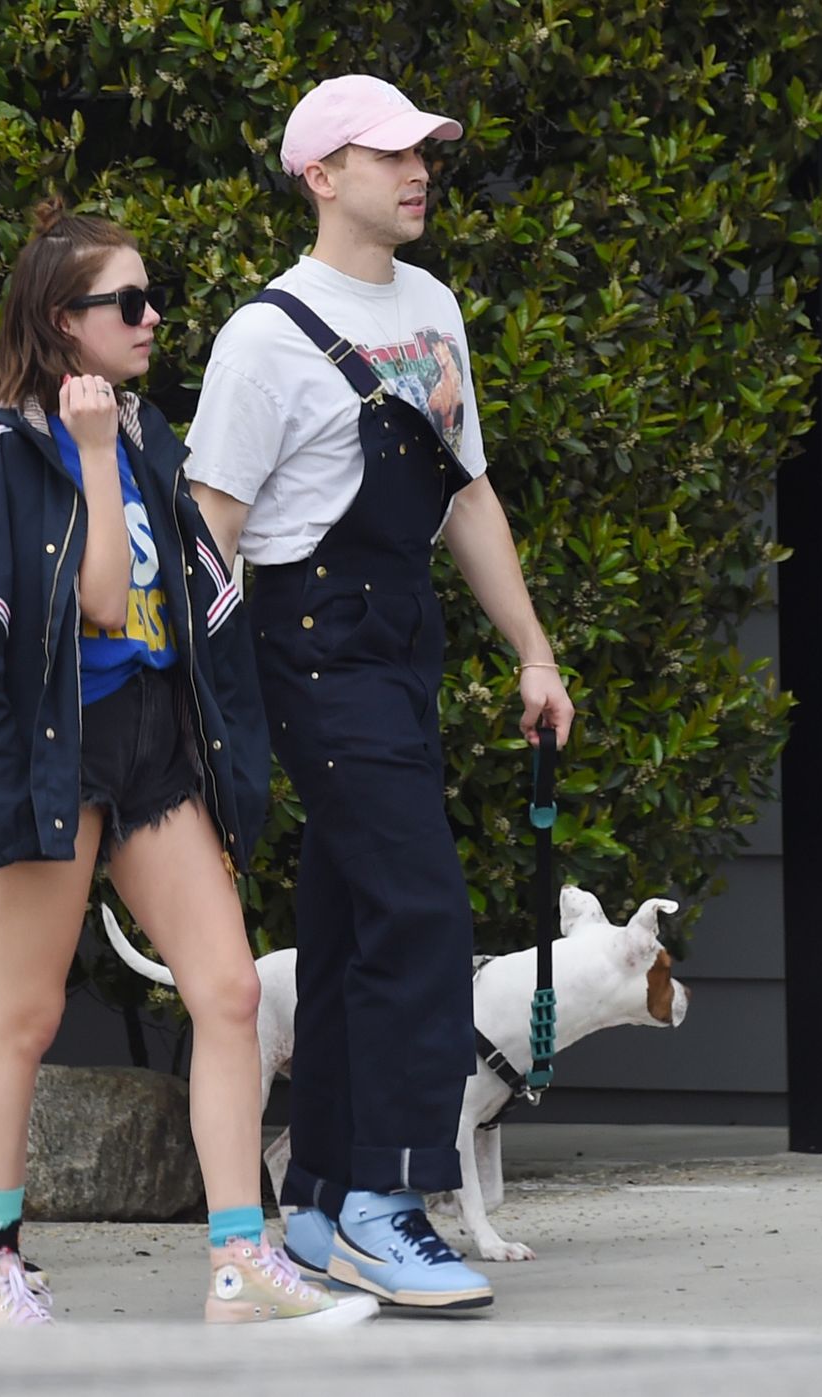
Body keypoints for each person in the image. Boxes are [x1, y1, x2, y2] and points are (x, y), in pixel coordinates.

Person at [0, 198, 377, 1329]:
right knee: (25, 1014)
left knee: (230, 989)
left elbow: (198, 608)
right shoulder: (2, 453)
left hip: (152, 748)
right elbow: (65, 609)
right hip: (51, 763)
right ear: (66, 322)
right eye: (128, 302)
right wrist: (98, 452)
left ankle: (236, 1258)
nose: (154, 316)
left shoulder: (150, 436)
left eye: (152, 296)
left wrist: (225, 764)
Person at [185, 75, 578, 1312]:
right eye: (390, 153)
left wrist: (531, 649)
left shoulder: (434, 306)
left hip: (403, 634)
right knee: (422, 913)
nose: (419, 172)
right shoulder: (264, 335)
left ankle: (316, 1206)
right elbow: (213, 533)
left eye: (427, 154)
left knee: (361, 922)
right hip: (308, 642)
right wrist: (206, 714)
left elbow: (464, 494)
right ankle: (384, 1197)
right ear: (321, 174)